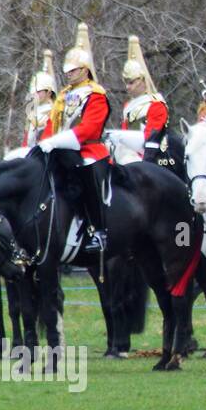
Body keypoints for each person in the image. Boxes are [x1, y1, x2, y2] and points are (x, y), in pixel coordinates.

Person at [37, 24, 111, 252]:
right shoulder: (63, 96)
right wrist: (45, 143)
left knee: (85, 174)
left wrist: (56, 141)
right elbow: (53, 124)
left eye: (73, 70)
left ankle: (98, 231)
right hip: (62, 150)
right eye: (67, 70)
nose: (68, 74)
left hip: (88, 150)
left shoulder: (96, 95)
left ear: (85, 70)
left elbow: (89, 129)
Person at [110, 35, 169, 163]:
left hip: (151, 156)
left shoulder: (156, 104)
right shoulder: (128, 106)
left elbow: (151, 137)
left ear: (142, 80)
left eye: (131, 82)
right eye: (126, 82)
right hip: (127, 153)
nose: (127, 87)